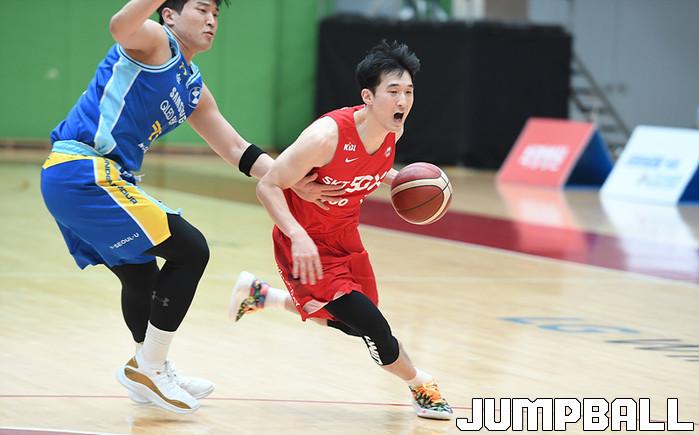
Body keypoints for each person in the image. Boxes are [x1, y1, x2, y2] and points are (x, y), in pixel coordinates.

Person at [40, 0, 341, 414]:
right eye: (201, 9)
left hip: (87, 179)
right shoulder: (154, 42)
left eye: (216, 14)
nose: (211, 20)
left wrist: (292, 181)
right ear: (169, 15)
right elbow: (120, 25)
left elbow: (235, 147)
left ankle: (147, 368)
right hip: (84, 170)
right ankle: (150, 368)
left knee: (140, 273)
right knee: (191, 249)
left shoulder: (192, 85)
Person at [229, 40, 453, 420]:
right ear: (368, 96)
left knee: (352, 325)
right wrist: (297, 235)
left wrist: (402, 181)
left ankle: (261, 295)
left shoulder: (392, 132)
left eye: (409, 91)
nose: (403, 101)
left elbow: (369, 166)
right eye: (393, 91)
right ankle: (421, 385)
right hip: (305, 244)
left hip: (345, 239)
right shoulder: (325, 138)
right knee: (374, 327)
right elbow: (268, 185)